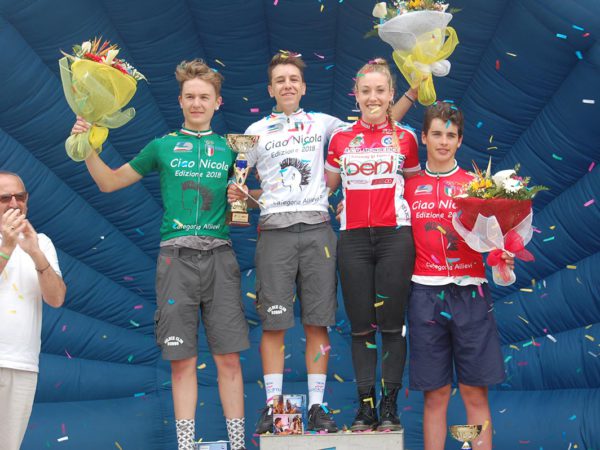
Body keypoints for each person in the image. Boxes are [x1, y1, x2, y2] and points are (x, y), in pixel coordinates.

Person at [227, 51, 418, 434]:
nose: (287, 85)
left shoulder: (326, 124)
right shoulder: (254, 132)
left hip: (319, 230)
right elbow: (242, 184)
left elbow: (378, 117)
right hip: (275, 230)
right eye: (280, 81)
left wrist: (412, 92)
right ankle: (273, 406)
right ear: (270, 89)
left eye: (293, 79)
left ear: (303, 86)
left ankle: (316, 407)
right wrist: (240, 197)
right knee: (274, 323)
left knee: (319, 322)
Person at [70, 59, 249, 450]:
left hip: (220, 255)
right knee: (181, 361)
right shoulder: (162, 146)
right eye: (190, 97)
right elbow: (109, 182)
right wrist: (87, 148)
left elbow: (253, 201)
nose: (197, 103)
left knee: (229, 359)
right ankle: (185, 446)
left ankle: (237, 445)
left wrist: (245, 196)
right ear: (180, 101)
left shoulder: (232, 149)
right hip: (175, 258)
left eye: (204, 97)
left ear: (217, 102)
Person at [404, 102, 511, 450]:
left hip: (471, 293)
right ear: (423, 137)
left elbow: (496, 243)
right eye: (436, 134)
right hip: (425, 294)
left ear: (460, 140)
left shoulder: (477, 187)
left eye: (450, 135)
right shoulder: (407, 186)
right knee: (435, 395)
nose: (443, 142)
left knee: (473, 391)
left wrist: (504, 257)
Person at [325, 58, 420, 432]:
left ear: (392, 94)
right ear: (356, 95)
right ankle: (366, 409)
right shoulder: (340, 138)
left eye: (380, 90)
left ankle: (389, 407)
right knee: (361, 327)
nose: (373, 97)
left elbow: (414, 189)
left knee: (392, 326)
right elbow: (326, 189)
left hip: (395, 236)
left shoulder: (407, 137)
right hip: (353, 239)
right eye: (366, 91)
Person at [0, 171, 66, 450]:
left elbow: (56, 299)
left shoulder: (42, 242)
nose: (14, 203)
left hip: (23, 362)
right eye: (5, 198)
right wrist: (7, 246)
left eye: (20, 196)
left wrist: (36, 253)